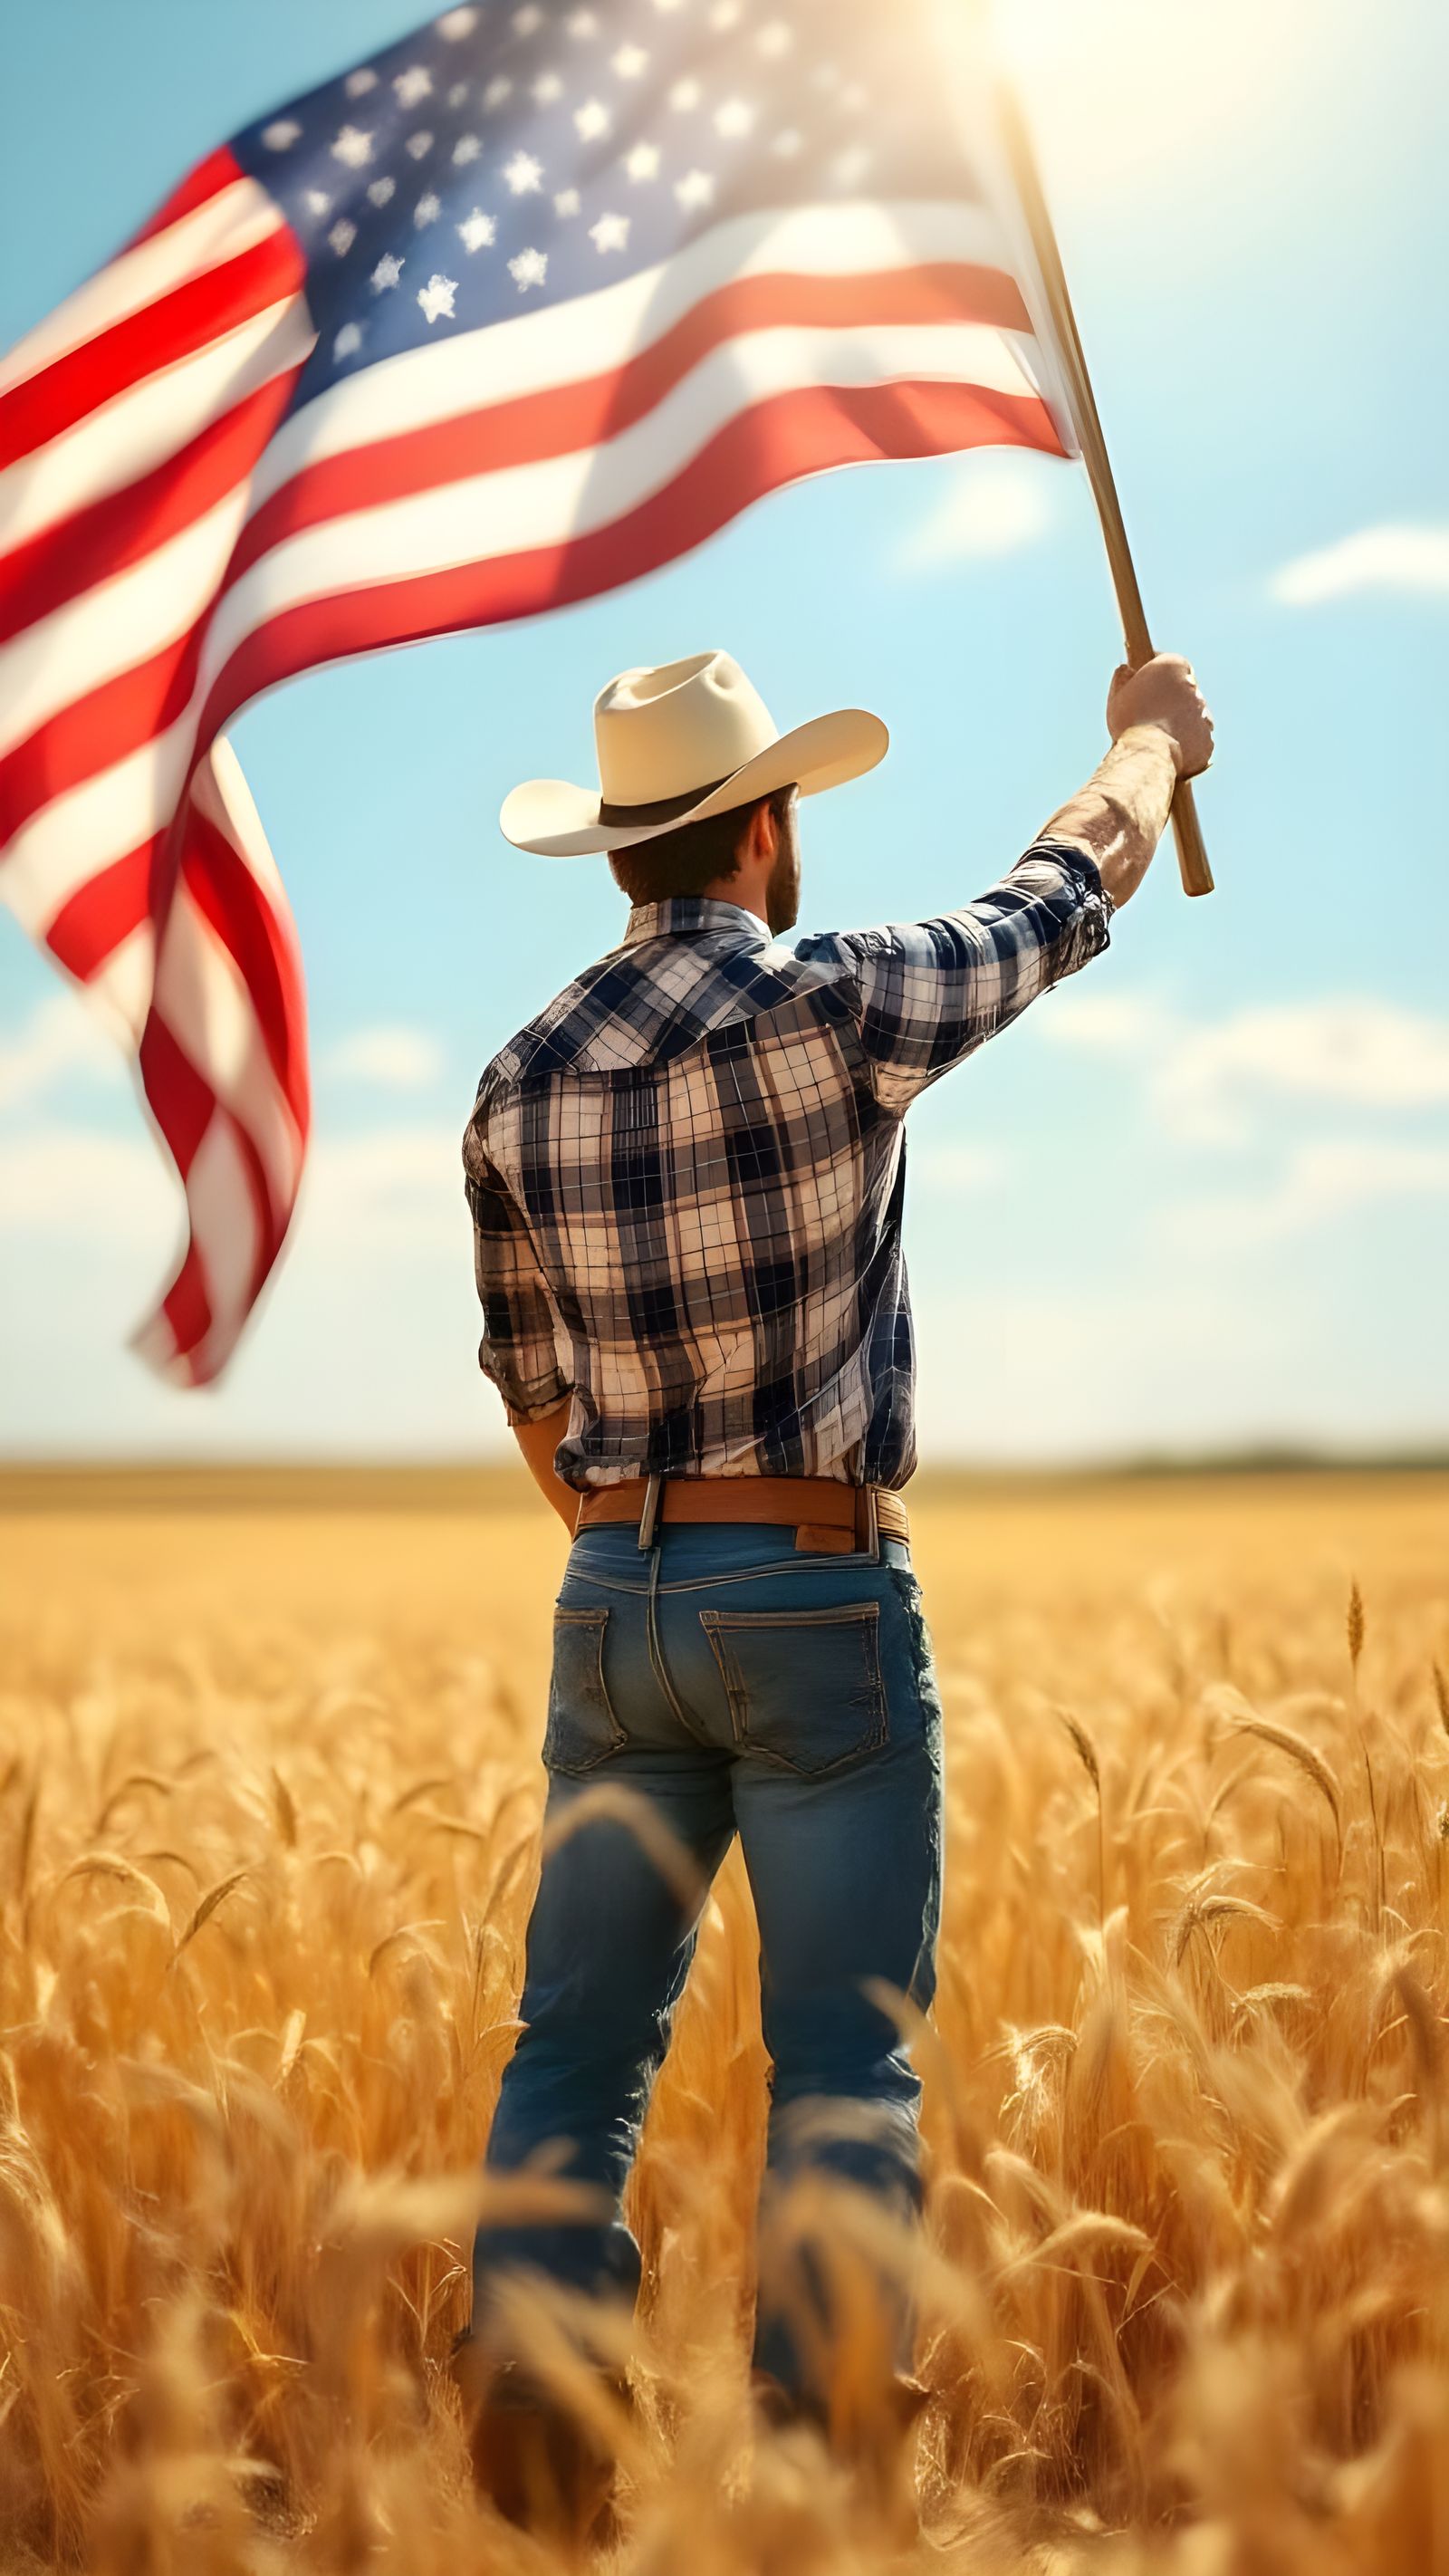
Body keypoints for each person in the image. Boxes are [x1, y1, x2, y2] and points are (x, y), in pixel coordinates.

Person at [453, 645, 1214, 2529]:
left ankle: (540, 2456)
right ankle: (818, 2467)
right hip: (810, 1580)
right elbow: (1058, 894)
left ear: (623, 852)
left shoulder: (513, 1080)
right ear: (767, 826)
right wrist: (1143, 743)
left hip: (611, 1590)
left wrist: (646, 1558)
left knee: (575, 2043)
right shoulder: (836, 1006)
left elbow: (529, 1390)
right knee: (841, 2055)